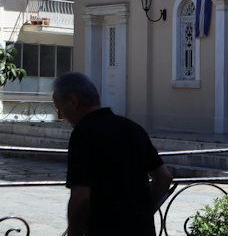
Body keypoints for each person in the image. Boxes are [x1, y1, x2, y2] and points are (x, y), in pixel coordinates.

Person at [52, 72, 173, 236]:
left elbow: (81, 197)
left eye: (59, 108)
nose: (60, 115)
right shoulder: (133, 128)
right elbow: (164, 177)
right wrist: (141, 213)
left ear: (73, 102)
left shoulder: (84, 133)